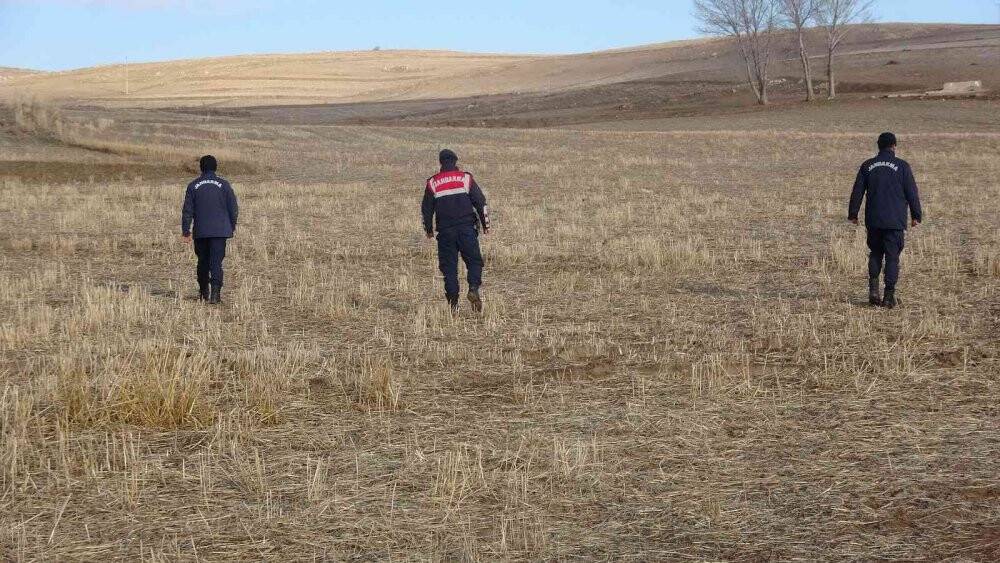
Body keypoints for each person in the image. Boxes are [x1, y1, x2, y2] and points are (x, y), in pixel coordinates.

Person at [848, 132, 923, 309]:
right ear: (894, 146)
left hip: (874, 219)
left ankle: (874, 291)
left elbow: (857, 191)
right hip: (895, 221)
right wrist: (916, 215)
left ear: (879, 146)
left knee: (875, 252)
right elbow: (912, 192)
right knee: (892, 258)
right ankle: (889, 296)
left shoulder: (867, 165)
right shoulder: (902, 166)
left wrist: (853, 213)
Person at [422, 149, 490, 313]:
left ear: (441, 163)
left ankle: (453, 305)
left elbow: (426, 209)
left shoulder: (433, 182)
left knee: (449, 269)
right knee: (474, 262)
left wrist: (429, 230)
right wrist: (485, 224)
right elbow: (480, 202)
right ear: (455, 161)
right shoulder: (466, 178)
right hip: (467, 229)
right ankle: (473, 288)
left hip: (445, 233)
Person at [182, 155, 239, 305]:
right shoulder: (224, 185)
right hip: (220, 231)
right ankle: (215, 294)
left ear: (201, 168)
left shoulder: (193, 186)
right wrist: (231, 226)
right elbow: (233, 209)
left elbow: (187, 211)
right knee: (216, 263)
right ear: (215, 167)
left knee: (202, 262)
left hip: (201, 231)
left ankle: (203, 293)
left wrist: (186, 231)